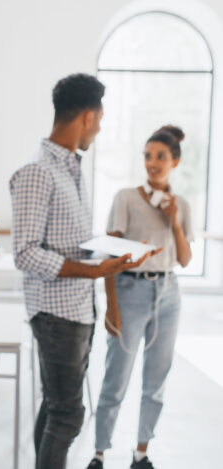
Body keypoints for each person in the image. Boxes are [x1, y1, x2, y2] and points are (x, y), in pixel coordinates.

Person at [9, 73, 154, 469]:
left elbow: (71, 238)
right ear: (88, 117)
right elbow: (24, 254)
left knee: (56, 408)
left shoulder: (71, 169)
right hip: (55, 315)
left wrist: (113, 255)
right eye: (102, 119)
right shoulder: (37, 172)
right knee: (69, 414)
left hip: (75, 310)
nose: (101, 127)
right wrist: (94, 272)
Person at [85, 125, 193, 469]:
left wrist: (174, 221)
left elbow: (185, 259)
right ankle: (99, 454)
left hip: (168, 293)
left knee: (156, 379)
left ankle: (141, 453)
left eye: (160, 156)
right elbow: (108, 255)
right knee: (116, 377)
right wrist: (112, 305)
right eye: (147, 156)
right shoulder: (125, 198)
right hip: (130, 290)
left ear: (174, 161)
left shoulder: (182, 205)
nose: (152, 163)